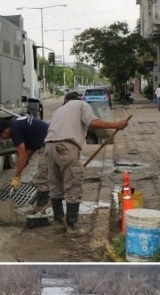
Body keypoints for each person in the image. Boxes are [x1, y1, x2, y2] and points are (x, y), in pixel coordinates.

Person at [44, 91, 129, 234]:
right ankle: (71, 226)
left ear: (65, 100)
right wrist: (116, 125)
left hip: (49, 147)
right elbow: (93, 122)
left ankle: (59, 223)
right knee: (73, 185)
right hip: (66, 147)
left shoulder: (59, 110)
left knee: (55, 185)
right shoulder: (82, 104)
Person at [0, 114, 50, 212]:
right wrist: (24, 162)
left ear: (5, 130)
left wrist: (16, 177)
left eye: (0, 136)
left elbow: (22, 155)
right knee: (44, 174)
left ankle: (41, 210)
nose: (1, 139)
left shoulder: (15, 132)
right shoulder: (15, 123)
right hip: (49, 137)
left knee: (42, 176)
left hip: (50, 142)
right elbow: (29, 150)